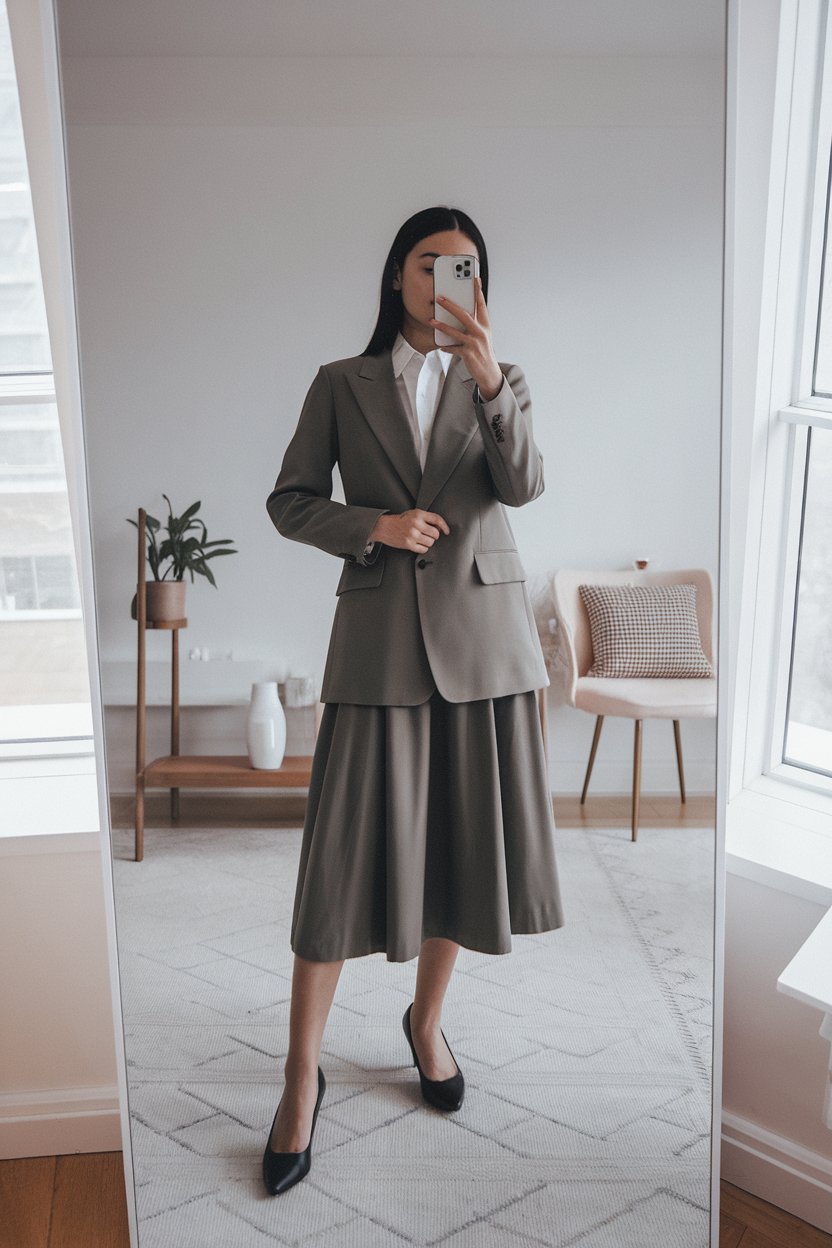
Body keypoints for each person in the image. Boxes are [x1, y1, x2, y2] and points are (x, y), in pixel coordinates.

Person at [262, 205, 565, 1195]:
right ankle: (299, 1075)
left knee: (460, 855)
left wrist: (487, 377)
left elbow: (521, 486)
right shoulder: (339, 384)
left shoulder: (502, 383)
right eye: (429, 264)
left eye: (465, 267)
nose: (445, 281)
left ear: (484, 286)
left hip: (484, 649)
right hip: (380, 645)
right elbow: (290, 499)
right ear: (397, 277)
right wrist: (376, 526)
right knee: (340, 870)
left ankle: (425, 1024)